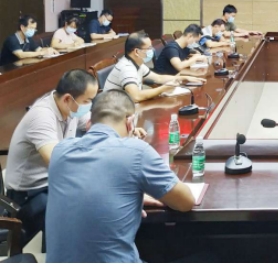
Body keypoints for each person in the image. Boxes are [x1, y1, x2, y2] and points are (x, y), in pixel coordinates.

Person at [46, 89, 194, 262]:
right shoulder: (136, 151)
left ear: (89, 124)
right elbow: (185, 202)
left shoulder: (60, 151)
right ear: (130, 123)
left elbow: (88, 189)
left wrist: (127, 196)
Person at [4, 69, 98, 245]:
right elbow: (59, 163)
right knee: (85, 209)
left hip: (51, 183)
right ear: (68, 99)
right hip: (29, 194)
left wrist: (120, 126)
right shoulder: (42, 116)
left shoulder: (69, 107)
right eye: (87, 101)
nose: (90, 105)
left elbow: (94, 123)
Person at [104, 32, 205, 102]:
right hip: (113, 114)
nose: (151, 51)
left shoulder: (137, 64)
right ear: (136, 51)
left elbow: (158, 78)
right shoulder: (126, 68)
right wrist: (163, 89)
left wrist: (184, 78)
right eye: (148, 48)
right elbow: (136, 96)